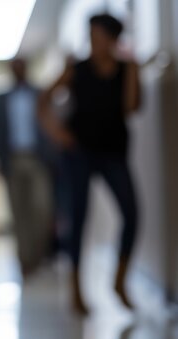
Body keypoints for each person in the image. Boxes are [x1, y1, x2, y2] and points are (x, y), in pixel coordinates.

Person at [38, 14, 141, 315]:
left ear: (113, 39)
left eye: (100, 36)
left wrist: (133, 68)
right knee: (78, 218)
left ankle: (120, 281)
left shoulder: (125, 69)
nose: (94, 42)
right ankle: (76, 290)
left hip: (114, 153)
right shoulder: (77, 69)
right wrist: (57, 132)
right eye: (91, 36)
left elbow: (132, 107)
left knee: (132, 214)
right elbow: (43, 100)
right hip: (79, 152)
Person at [0, 58, 54, 278]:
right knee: (19, 212)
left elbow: (50, 123)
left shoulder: (40, 93)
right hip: (13, 160)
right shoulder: (1, 98)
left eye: (21, 67)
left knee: (41, 208)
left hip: (38, 159)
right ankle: (25, 261)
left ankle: (38, 255)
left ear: (26, 68)